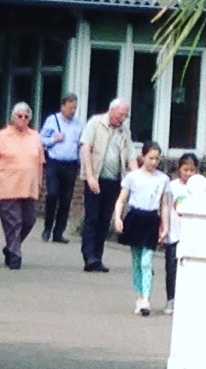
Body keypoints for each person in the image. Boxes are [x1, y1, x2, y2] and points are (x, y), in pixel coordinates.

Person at [113, 141, 174, 316]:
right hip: (135, 217)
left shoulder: (163, 179)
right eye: (151, 158)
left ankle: (146, 297)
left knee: (146, 261)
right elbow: (121, 200)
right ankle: (139, 296)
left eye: (157, 159)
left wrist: (165, 226)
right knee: (137, 261)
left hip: (151, 219)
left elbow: (164, 205)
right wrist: (118, 218)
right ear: (143, 157)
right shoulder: (133, 177)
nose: (154, 162)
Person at [0, 102, 44, 267]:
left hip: (28, 187)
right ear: (12, 117)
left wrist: (39, 182)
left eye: (26, 117)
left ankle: (11, 247)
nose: (23, 119)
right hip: (7, 187)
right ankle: (15, 256)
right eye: (20, 116)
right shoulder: (2, 136)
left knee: (29, 221)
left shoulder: (35, 136)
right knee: (13, 222)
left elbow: (39, 163)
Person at [77, 98, 132, 271]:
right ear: (112, 110)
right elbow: (85, 148)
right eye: (121, 114)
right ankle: (89, 256)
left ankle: (98, 257)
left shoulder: (124, 131)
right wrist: (90, 176)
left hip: (114, 180)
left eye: (125, 115)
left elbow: (130, 155)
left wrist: (137, 178)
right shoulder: (95, 123)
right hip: (96, 178)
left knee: (104, 220)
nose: (122, 118)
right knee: (92, 217)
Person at [165, 151, 206, 305]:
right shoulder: (172, 186)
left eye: (192, 170)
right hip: (174, 234)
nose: (188, 174)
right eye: (185, 170)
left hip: (192, 235)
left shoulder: (200, 189)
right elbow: (165, 207)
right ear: (179, 169)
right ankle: (171, 298)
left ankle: (186, 300)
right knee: (171, 268)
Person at [39, 93, 83, 242]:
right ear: (63, 106)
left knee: (66, 199)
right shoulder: (53, 120)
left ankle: (59, 232)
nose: (72, 111)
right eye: (70, 108)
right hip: (54, 163)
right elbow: (41, 139)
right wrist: (54, 139)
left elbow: (81, 144)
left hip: (71, 165)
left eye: (75, 108)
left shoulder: (78, 124)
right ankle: (47, 228)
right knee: (52, 194)